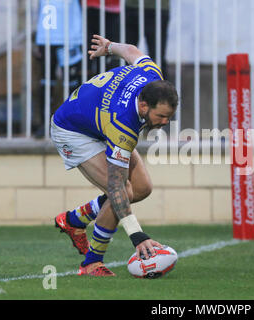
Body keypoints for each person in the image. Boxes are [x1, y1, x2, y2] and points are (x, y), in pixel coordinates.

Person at [51, 34, 178, 276]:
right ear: (143, 107)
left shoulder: (152, 75)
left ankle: (75, 220)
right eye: (160, 116)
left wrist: (109, 47)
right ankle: (91, 263)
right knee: (123, 191)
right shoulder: (124, 126)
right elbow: (116, 187)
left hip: (96, 121)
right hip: (73, 131)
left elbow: (130, 50)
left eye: (169, 116)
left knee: (142, 188)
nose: (165, 122)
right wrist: (138, 236)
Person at [34, 0, 83, 137]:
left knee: (72, 81)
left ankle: (73, 123)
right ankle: (45, 124)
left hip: (70, 34)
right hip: (46, 34)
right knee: (46, 80)